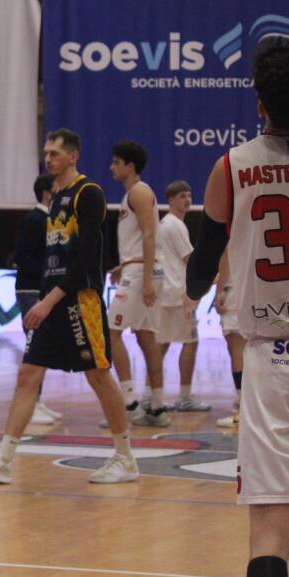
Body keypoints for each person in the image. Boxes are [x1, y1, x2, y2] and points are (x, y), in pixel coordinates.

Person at [186, 36, 289, 577]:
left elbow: (196, 278)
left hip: (274, 356)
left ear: (258, 103)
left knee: (269, 524)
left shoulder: (231, 168)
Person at [0, 129, 139, 485]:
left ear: (73, 156)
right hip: (52, 300)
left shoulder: (89, 193)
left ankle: (126, 458)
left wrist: (49, 299)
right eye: (46, 152)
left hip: (79, 301)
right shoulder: (55, 198)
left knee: (99, 376)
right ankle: (3, 460)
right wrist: (45, 298)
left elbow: (88, 257)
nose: (48, 158)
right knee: (28, 375)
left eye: (55, 153)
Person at [105, 141, 169, 426]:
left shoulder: (139, 192)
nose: (111, 167)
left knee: (111, 333)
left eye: (116, 162)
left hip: (142, 273)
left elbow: (149, 235)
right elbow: (139, 238)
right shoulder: (133, 194)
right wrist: (125, 264)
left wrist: (144, 280)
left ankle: (129, 401)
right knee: (146, 338)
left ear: (130, 166)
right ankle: (157, 406)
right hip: (139, 268)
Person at [155, 180, 209, 412]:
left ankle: (151, 394)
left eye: (188, 195)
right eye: (182, 197)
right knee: (191, 342)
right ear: (171, 200)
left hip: (164, 292)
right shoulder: (175, 225)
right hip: (177, 293)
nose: (187, 200)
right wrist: (211, 278)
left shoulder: (164, 223)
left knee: (162, 344)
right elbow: (190, 260)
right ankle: (184, 397)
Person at [14, 172, 62, 425]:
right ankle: (30, 404)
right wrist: (46, 276)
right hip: (31, 290)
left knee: (40, 348)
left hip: (37, 290)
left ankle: (37, 401)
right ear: (46, 193)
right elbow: (21, 256)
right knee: (35, 348)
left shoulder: (48, 220)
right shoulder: (34, 219)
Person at [213, 250, 246, 428]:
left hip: (235, 290)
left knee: (237, 350)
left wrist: (219, 291)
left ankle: (242, 409)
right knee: (246, 349)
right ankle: (247, 402)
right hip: (253, 289)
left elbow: (226, 256)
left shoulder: (234, 225)